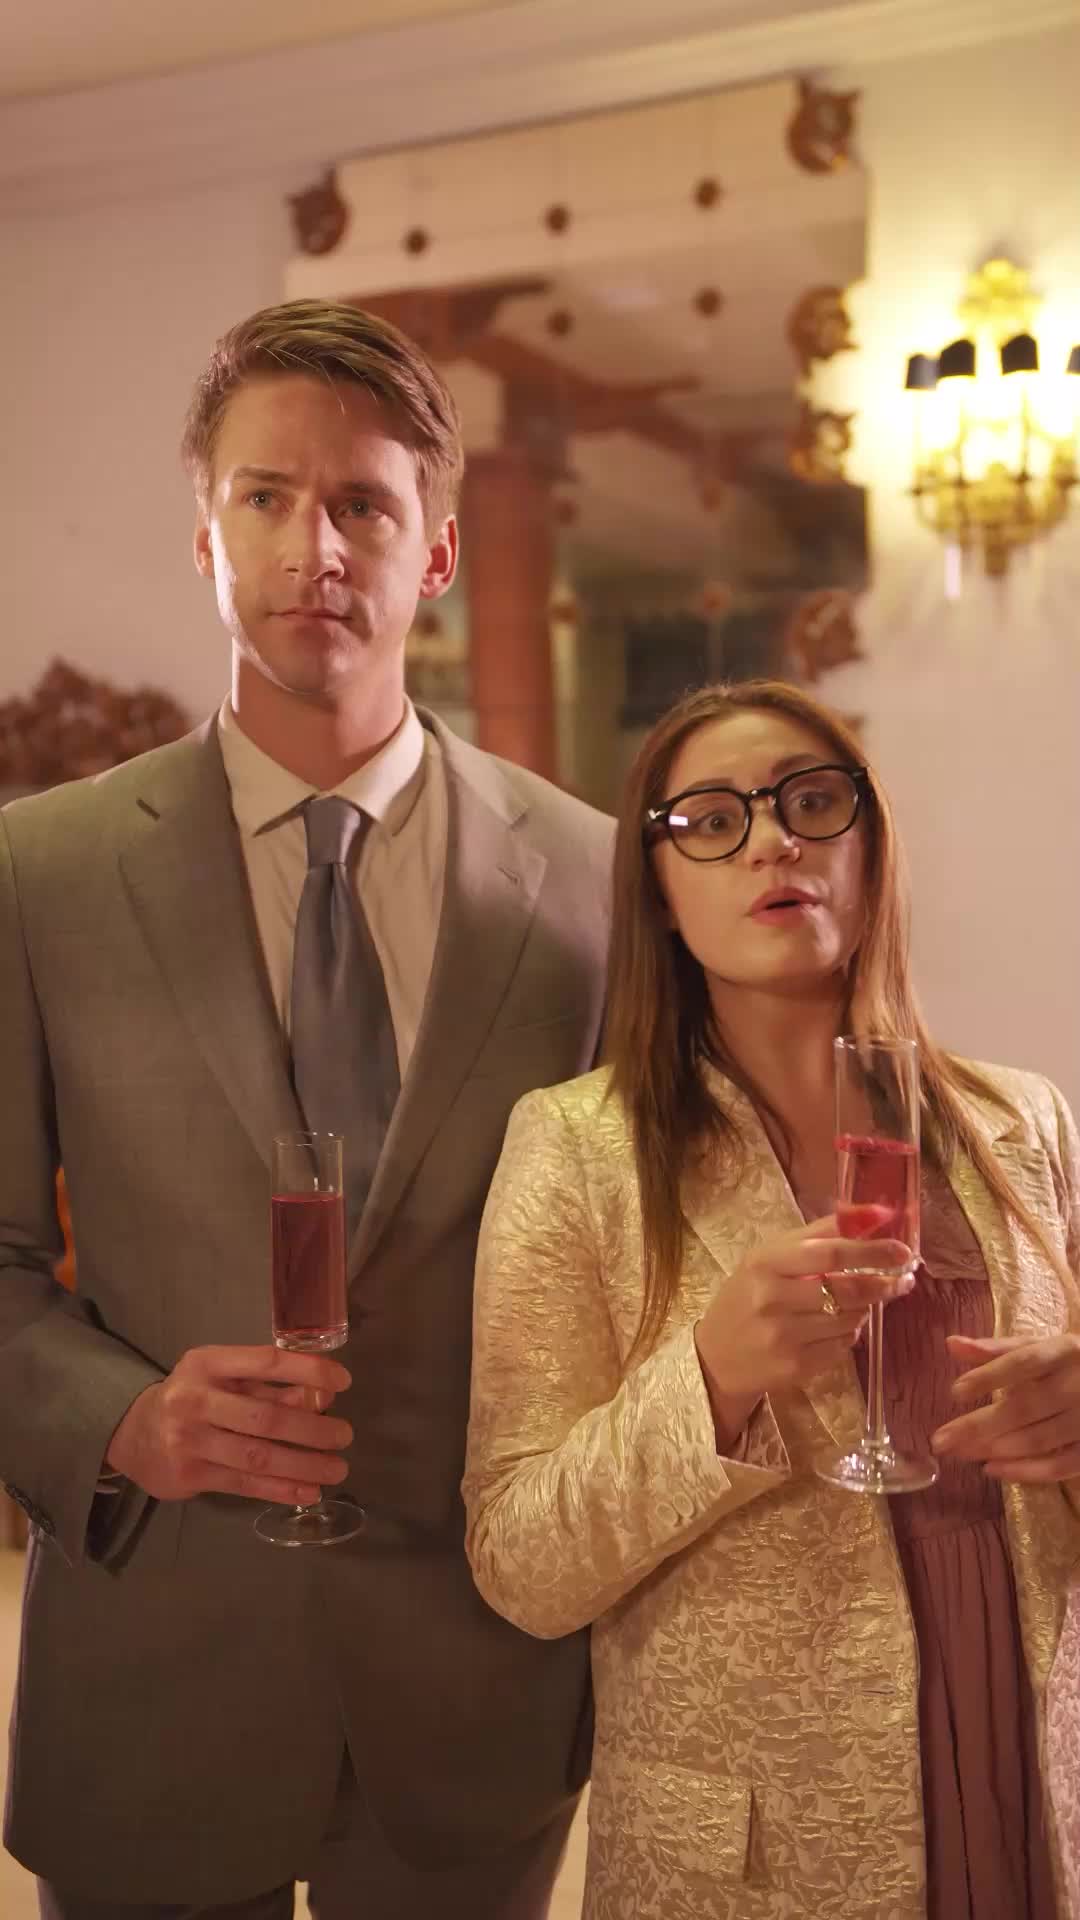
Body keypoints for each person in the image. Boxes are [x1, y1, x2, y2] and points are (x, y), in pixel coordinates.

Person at [0, 299, 613, 1918]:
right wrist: (120, 1420)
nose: (312, 548)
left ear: (438, 552)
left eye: (361, 505)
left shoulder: (592, 883)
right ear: (205, 536)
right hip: (155, 1667)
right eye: (265, 497)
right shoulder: (38, 872)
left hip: (477, 1688)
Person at [464, 677, 1080, 1920]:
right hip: (756, 1849)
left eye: (811, 803)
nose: (773, 843)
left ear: (869, 846)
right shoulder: (577, 1148)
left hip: (1031, 1781)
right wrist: (710, 1382)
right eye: (711, 820)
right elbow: (520, 1563)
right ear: (658, 890)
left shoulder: (1026, 1121)